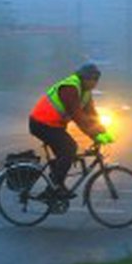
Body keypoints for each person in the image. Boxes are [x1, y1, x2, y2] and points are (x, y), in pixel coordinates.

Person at [29, 63, 115, 199]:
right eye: (92, 79)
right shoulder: (70, 88)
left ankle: (55, 186)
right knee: (69, 148)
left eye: (97, 80)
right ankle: (54, 187)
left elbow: (92, 114)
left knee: (65, 155)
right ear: (83, 78)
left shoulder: (85, 92)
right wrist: (94, 135)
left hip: (54, 125)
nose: (94, 83)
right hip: (41, 123)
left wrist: (103, 132)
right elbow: (77, 116)